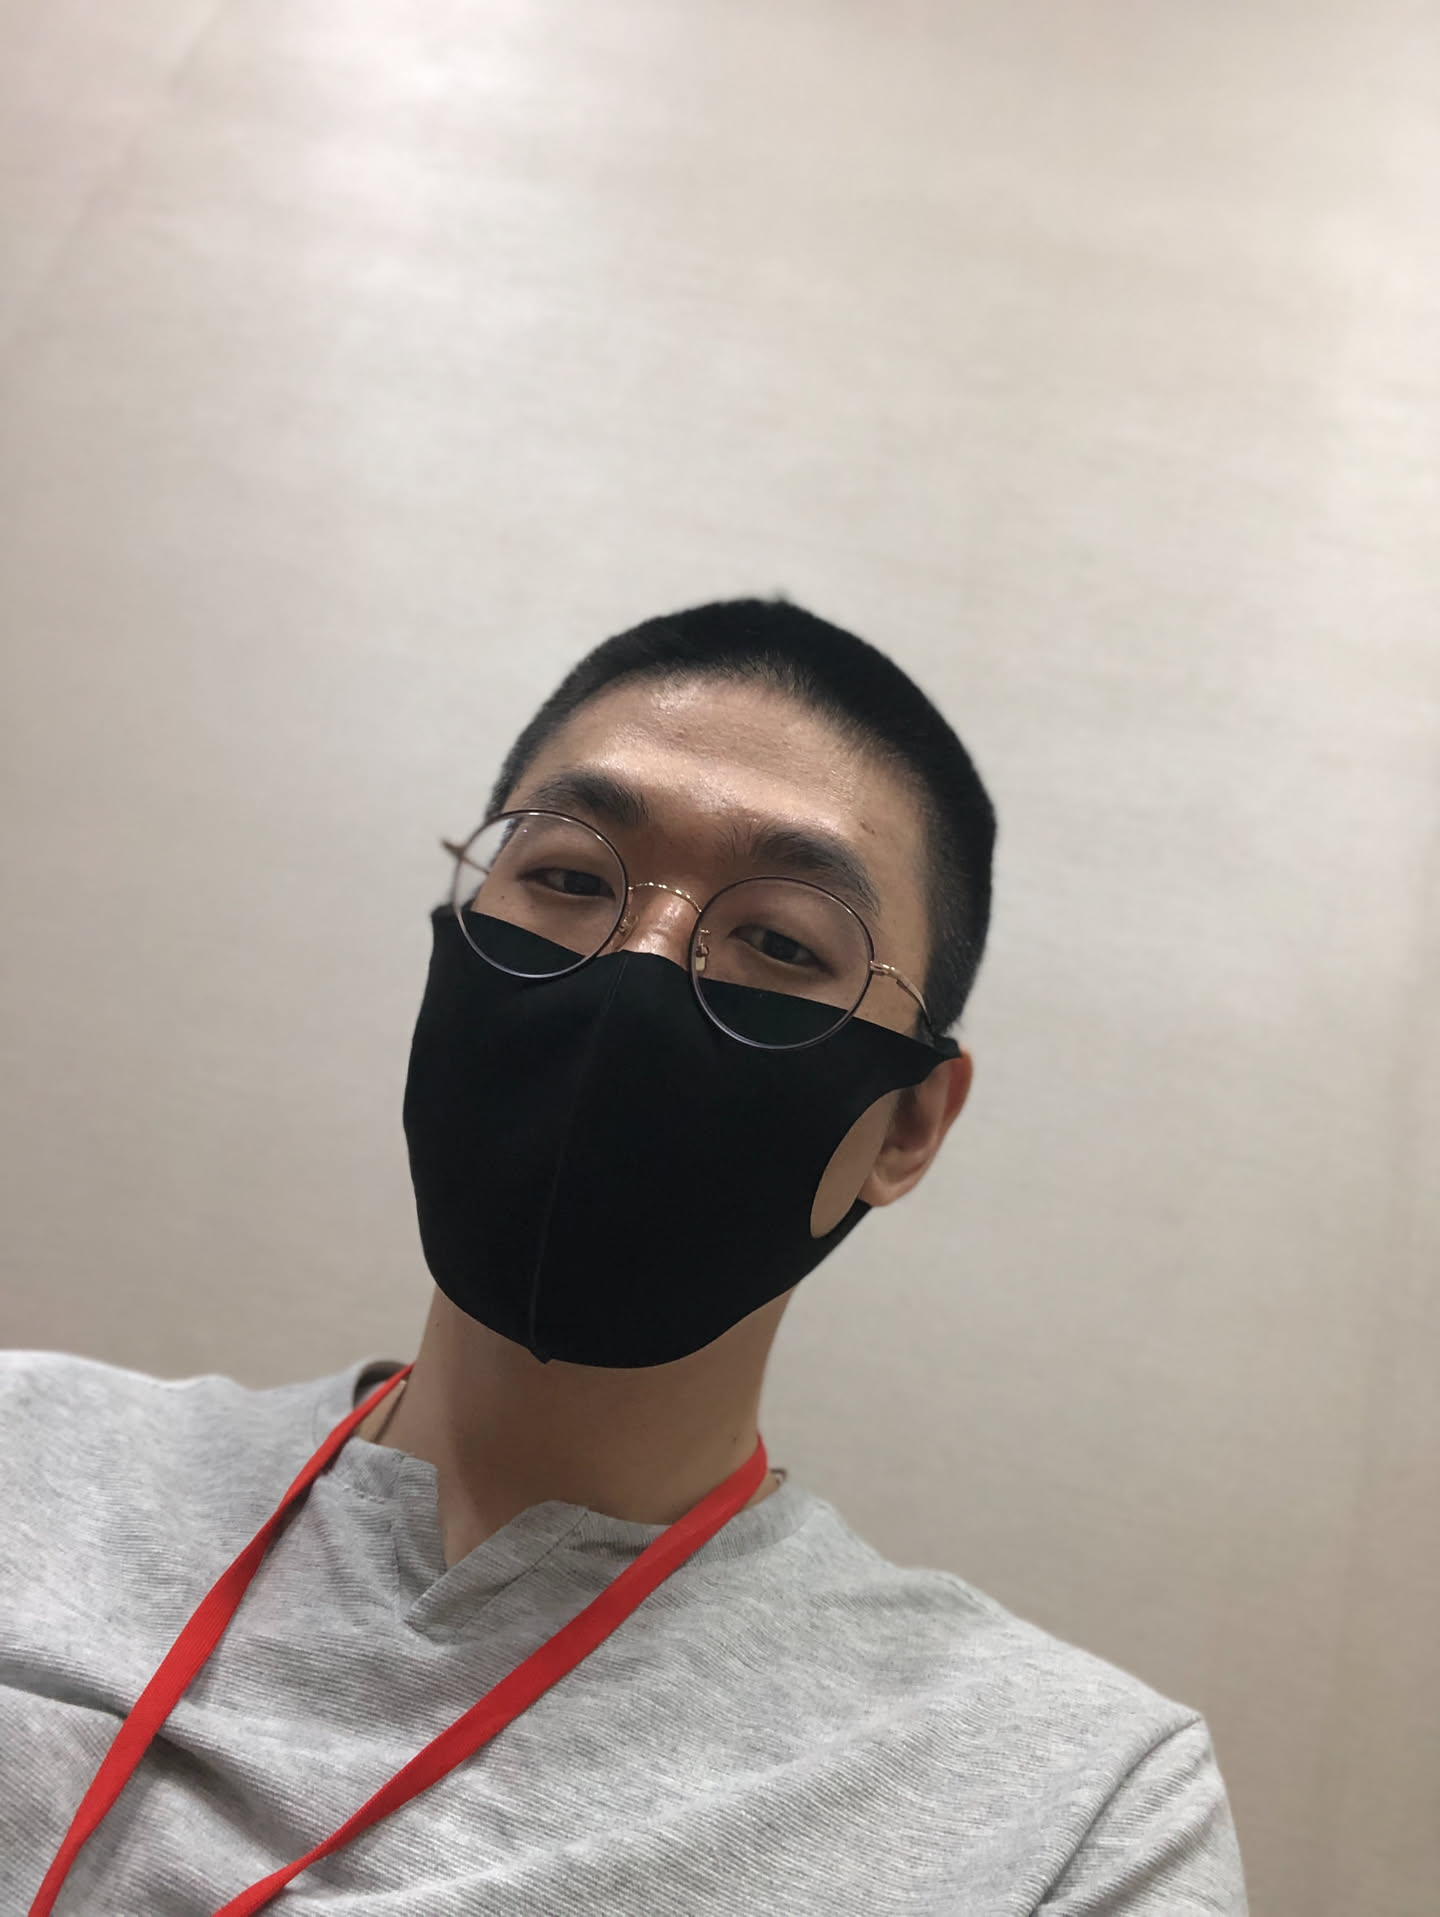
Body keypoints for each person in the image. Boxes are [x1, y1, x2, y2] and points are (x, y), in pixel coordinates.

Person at [2, 598, 1249, 1913]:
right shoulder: (27, 1448)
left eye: (781, 941)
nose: (637, 967)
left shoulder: (1073, 1811)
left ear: (908, 1124)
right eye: (568, 877)